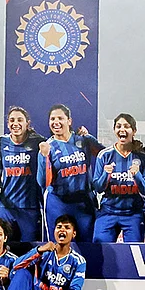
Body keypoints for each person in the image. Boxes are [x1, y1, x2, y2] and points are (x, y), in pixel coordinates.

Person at [0, 214, 86, 290]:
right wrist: (39, 250)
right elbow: (15, 267)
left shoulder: (78, 261)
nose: (62, 230)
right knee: (23, 273)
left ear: (74, 234)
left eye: (67, 227)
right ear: (54, 231)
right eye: (59, 227)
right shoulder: (44, 252)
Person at [38, 104, 104, 243]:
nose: (56, 122)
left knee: (87, 245)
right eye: (52, 119)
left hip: (84, 202)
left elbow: (105, 155)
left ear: (69, 121)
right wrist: (44, 157)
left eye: (60, 118)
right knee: (58, 246)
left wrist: (89, 137)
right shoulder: (47, 147)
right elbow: (42, 182)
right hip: (58, 203)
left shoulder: (83, 140)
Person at [92, 113, 145, 243]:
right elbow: (97, 187)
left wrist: (137, 175)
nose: (122, 129)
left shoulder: (144, 157)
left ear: (134, 131)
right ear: (114, 130)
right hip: (108, 212)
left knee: (134, 251)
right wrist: (106, 175)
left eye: (126, 126)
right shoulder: (104, 155)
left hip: (133, 214)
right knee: (100, 247)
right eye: (118, 126)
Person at [0, 107, 46, 242]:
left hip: (29, 207)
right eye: (12, 120)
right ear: (8, 124)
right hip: (5, 207)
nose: (15, 123)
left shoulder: (38, 142)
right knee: (4, 246)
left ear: (27, 123)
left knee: (29, 248)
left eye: (20, 120)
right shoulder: (1, 142)